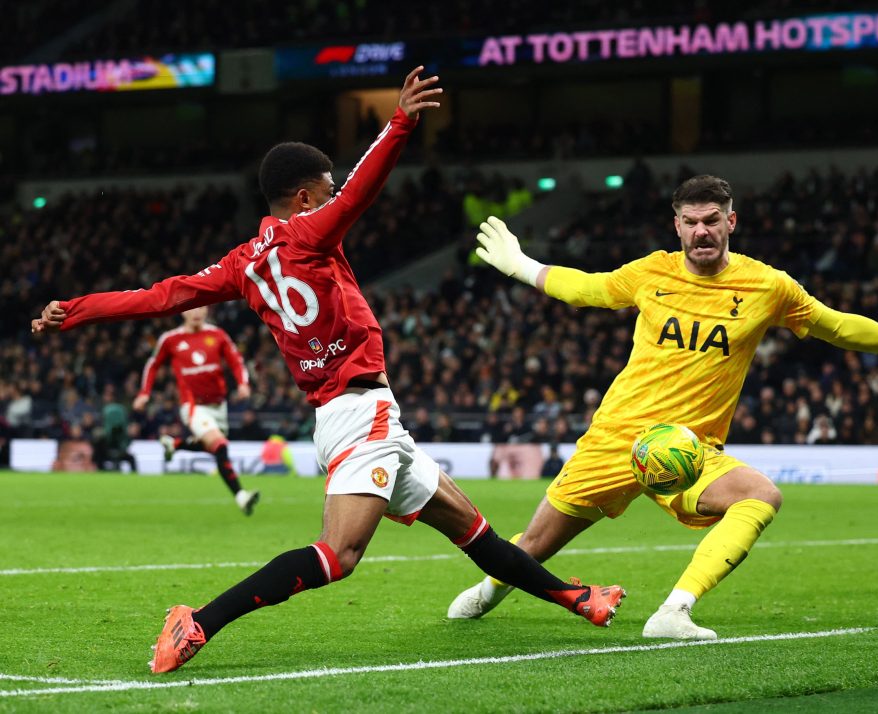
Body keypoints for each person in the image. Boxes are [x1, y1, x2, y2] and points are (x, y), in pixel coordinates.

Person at [32, 67, 624, 675]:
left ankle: (581, 601)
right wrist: (400, 122)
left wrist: (74, 311)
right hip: (357, 413)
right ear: (306, 198)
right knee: (338, 555)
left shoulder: (240, 264)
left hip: (364, 415)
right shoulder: (310, 234)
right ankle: (198, 622)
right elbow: (363, 189)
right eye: (327, 188)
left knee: (475, 532)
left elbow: (160, 296)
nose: (336, 194)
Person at [449, 175, 878, 640]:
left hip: (690, 450)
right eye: (691, 222)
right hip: (616, 438)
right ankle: (493, 589)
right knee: (535, 543)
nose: (702, 231)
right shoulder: (651, 273)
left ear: (731, 222)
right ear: (676, 226)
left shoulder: (767, 285)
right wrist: (522, 266)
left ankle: (674, 611)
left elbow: (832, 323)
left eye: (712, 220)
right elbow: (589, 289)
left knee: (760, 496)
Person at [135, 306, 259, 514]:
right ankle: (240, 495)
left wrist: (243, 383)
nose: (196, 312)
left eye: (201, 307)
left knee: (212, 445)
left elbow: (236, 360)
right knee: (219, 445)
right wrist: (144, 393)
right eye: (192, 308)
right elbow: (153, 364)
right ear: (183, 312)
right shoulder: (171, 339)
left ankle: (174, 444)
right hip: (193, 406)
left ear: (208, 309)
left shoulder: (217, 335)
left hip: (219, 406)